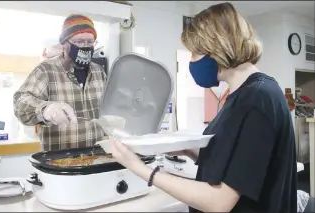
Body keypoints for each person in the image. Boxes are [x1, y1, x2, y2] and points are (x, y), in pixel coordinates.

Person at [109, 2, 297, 213]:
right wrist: (190, 150)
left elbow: (218, 201)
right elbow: (238, 163)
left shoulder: (257, 99)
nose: (192, 62)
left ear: (215, 49)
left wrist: (141, 169)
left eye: (194, 54)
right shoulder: (244, 95)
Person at [14, 14, 106, 151]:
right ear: (64, 43)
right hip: (60, 163)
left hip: (98, 159)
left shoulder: (99, 72)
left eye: (90, 42)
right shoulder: (46, 70)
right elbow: (20, 103)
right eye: (79, 42)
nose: (86, 47)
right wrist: (45, 109)